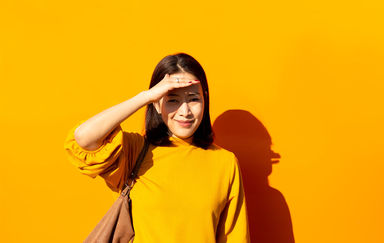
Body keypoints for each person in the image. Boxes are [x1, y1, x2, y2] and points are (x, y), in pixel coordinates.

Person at [64, 52, 251, 242]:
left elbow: (234, 237)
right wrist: (146, 97)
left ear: (205, 100)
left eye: (193, 99)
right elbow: (83, 139)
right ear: (156, 103)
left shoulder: (224, 162)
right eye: (172, 100)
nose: (185, 112)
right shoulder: (134, 150)